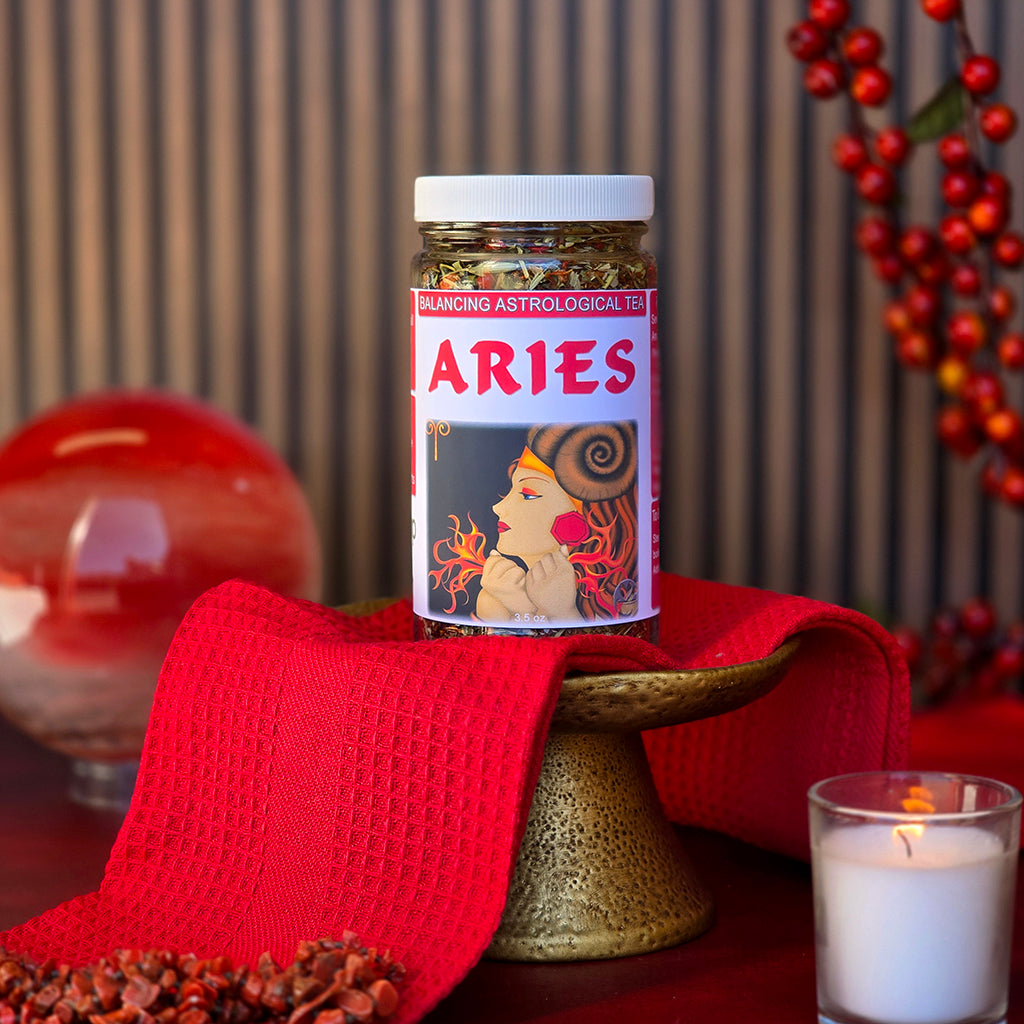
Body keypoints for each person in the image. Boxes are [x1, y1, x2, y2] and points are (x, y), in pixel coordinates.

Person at [431, 422, 639, 626]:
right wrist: (518, 607)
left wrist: (563, 612)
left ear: (577, 520)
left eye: (527, 495)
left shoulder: (619, 596)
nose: (499, 507)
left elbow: (602, 648)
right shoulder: (495, 598)